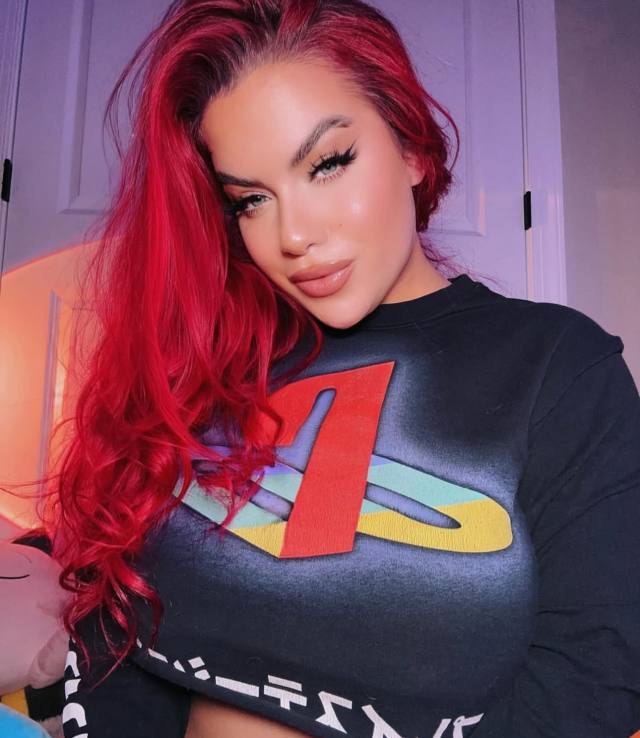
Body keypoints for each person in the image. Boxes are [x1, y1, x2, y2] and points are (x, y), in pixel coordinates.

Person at [35, 1, 640, 737]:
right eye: (250, 200)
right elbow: (117, 633)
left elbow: (592, 686)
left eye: (327, 164)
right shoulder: (209, 363)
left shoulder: (557, 366)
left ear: (412, 149)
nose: (293, 235)